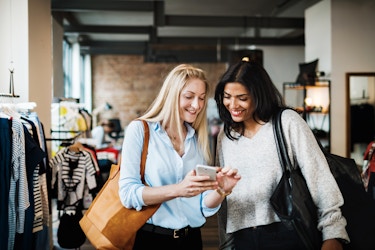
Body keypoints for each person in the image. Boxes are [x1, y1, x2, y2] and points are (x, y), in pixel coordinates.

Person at [214, 57, 350, 250]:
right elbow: (225, 194)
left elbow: (319, 176)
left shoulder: (287, 122)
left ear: (258, 95)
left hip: (286, 233)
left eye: (242, 98)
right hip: (242, 238)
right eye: (227, 96)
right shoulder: (225, 135)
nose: (233, 104)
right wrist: (226, 243)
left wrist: (333, 233)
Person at [118, 64, 241, 250]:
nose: (196, 105)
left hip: (191, 239)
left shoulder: (198, 138)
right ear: (171, 95)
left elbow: (203, 205)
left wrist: (222, 191)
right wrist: (179, 189)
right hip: (151, 239)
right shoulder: (140, 130)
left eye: (201, 99)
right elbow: (127, 194)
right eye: (189, 97)